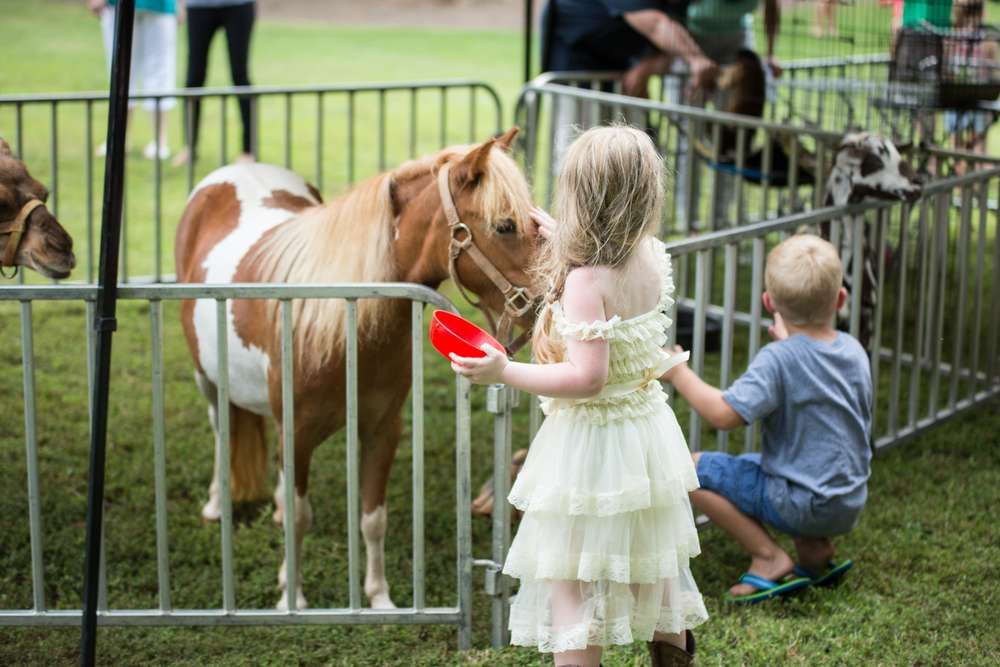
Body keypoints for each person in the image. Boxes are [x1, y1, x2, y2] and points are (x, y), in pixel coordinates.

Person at [451, 126, 707, 667]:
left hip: (590, 445)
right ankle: (673, 650)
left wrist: (505, 370)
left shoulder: (587, 281)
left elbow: (587, 378)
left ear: (581, 195)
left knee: (571, 582)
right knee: (650, 560)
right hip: (644, 434)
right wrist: (562, 232)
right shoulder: (652, 258)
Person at [662, 234, 872, 604]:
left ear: (768, 303)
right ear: (840, 300)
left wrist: (679, 372)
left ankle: (769, 557)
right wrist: (788, 345)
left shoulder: (779, 360)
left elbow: (724, 415)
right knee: (752, 465)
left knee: (685, 468)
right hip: (847, 498)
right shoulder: (853, 351)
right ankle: (813, 550)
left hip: (800, 500)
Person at [89, 0, 183, 161]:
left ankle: (160, 141)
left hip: (160, 6)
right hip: (118, 6)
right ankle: (118, 138)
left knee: (159, 72)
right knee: (120, 69)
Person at [172, 0, 256, 167]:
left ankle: (248, 150)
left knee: (240, 76)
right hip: (199, 7)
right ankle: (189, 147)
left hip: (238, 5)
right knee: (194, 77)